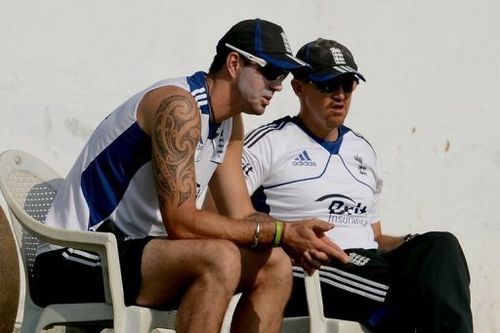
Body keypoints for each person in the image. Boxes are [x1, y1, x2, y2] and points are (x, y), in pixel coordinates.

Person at [32, 20, 350, 333]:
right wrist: (279, 231)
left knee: (276, 264)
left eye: (281, 75)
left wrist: (294, 235)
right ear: (235, 63)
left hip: (139, 254)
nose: (278, 85)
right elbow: (181, 222)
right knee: (220, 258)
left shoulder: (230, 123)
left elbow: (241, 213)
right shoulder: (179, 107)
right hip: (76, 255)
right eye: (270, 72)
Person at [240, 38, 473, 332]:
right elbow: (228, 211)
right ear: (300, 87)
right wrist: (282, 237)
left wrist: (412, 246)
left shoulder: (361, 149)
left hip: (368, 263)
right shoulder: (269, 142)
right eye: (327, 85)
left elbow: (373, 237)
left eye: (347, 85)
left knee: (441, 246)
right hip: (313, 267)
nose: (339, 95)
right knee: (418, 297)